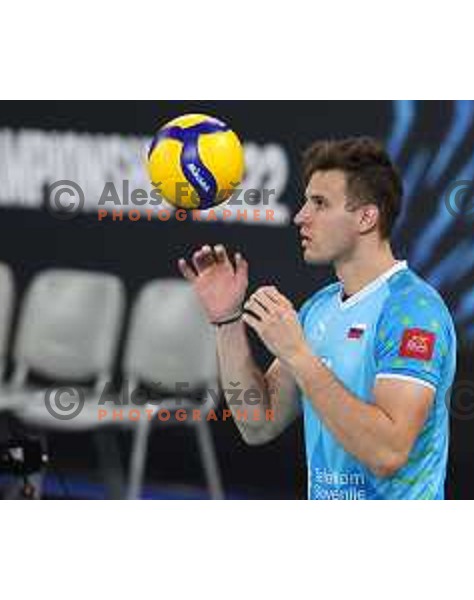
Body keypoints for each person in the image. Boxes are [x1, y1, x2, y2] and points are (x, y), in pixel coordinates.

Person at [178, 137, 456, 500]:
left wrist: (299, 356)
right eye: (307, 201)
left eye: (319, 204)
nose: (300, 216)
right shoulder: (319, 308)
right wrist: (227, 321)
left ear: (366, 217)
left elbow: (387, 454)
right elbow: (257, 424)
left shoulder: (414, 312)